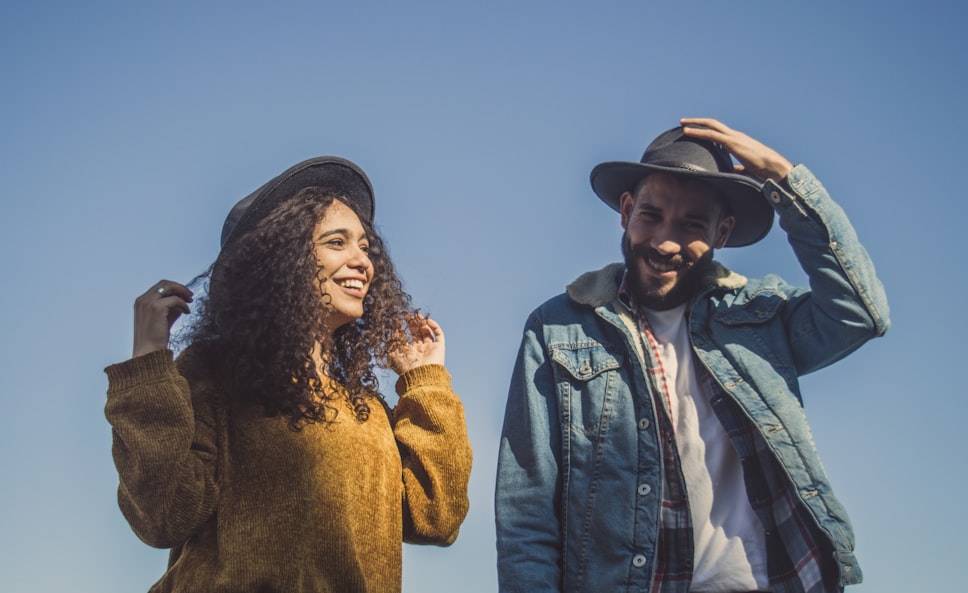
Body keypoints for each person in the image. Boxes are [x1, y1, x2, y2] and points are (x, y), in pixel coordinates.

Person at [495, 118, 888, 593]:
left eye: (691, 225)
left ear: (722, 233)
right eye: (651, 215)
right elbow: (527, 515)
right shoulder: (558, 329)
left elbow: (860, 314)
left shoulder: (761, 318)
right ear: (626, 210)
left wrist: (787, 181)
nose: (665, 241)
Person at [104, 156, 472, 593]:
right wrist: (148, 360)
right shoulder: (213, 374)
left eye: (365, 247)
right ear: (281, 260)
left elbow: (437, 518)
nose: (363, 262)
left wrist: (425, 378)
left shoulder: (368, 411)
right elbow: (162, 514)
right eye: (337, 242)